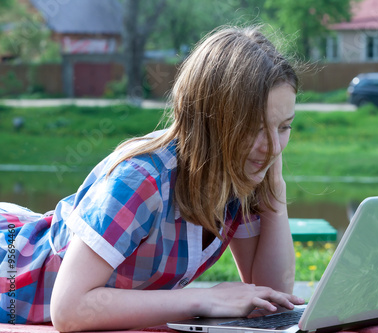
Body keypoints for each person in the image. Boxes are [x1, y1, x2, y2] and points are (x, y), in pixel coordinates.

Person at [0, 25, 304, 331]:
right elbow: (68, 309)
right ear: (212, 119)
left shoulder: (240, 174)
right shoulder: (141, 180)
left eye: (284, 127)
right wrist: (200, 300)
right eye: (255, 127)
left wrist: (275, 195)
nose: (273, 149)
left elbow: (272, 298)